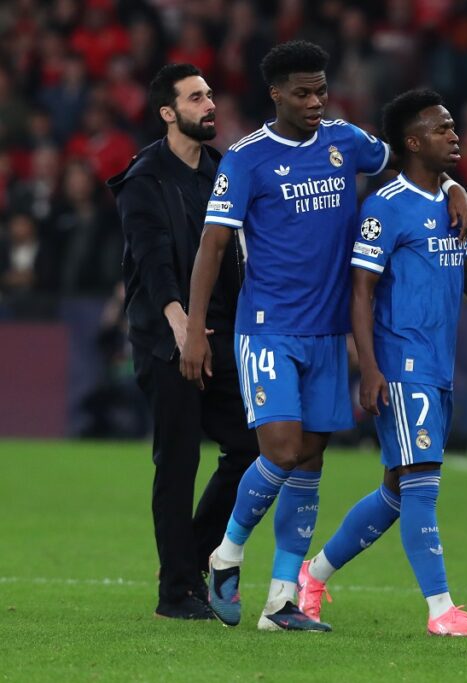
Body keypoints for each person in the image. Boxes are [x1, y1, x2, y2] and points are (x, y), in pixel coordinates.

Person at [179, 42, 467, 632]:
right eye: (304, 93)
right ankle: (227, 551)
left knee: (311, 460)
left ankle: (281, 601)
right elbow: (213, 246)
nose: (316, 102)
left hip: (327, 331)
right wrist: (195, 329)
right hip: (267, 328)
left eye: (321, 90)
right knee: (282, 451)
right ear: (276, 95)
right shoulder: (246, 159)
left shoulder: (347, 142)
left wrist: (453, 188)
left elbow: (413, 155)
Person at [295, 89, 467, 637]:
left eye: (455, 127)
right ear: (412, 142)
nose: (455, 136)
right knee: (423, 482)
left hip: (438, 364)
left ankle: (312, 575)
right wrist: (370, 366)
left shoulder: (454, 200)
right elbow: (360, 290)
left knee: (394, 490)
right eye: (442, 129)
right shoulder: (385, 207)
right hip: (401, 363)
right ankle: (441, 610)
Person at [107, 63, 259, 620]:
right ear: (169, 112)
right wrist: (180, 323)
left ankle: (189, 558)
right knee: (178, 460)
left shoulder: (223, 172)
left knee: (253, 447)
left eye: (211, 94)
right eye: (195, 98)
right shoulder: (145, 177)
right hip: (167, 336)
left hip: (221, 334)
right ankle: (175, 595)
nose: (209, 104)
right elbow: (149, 257)